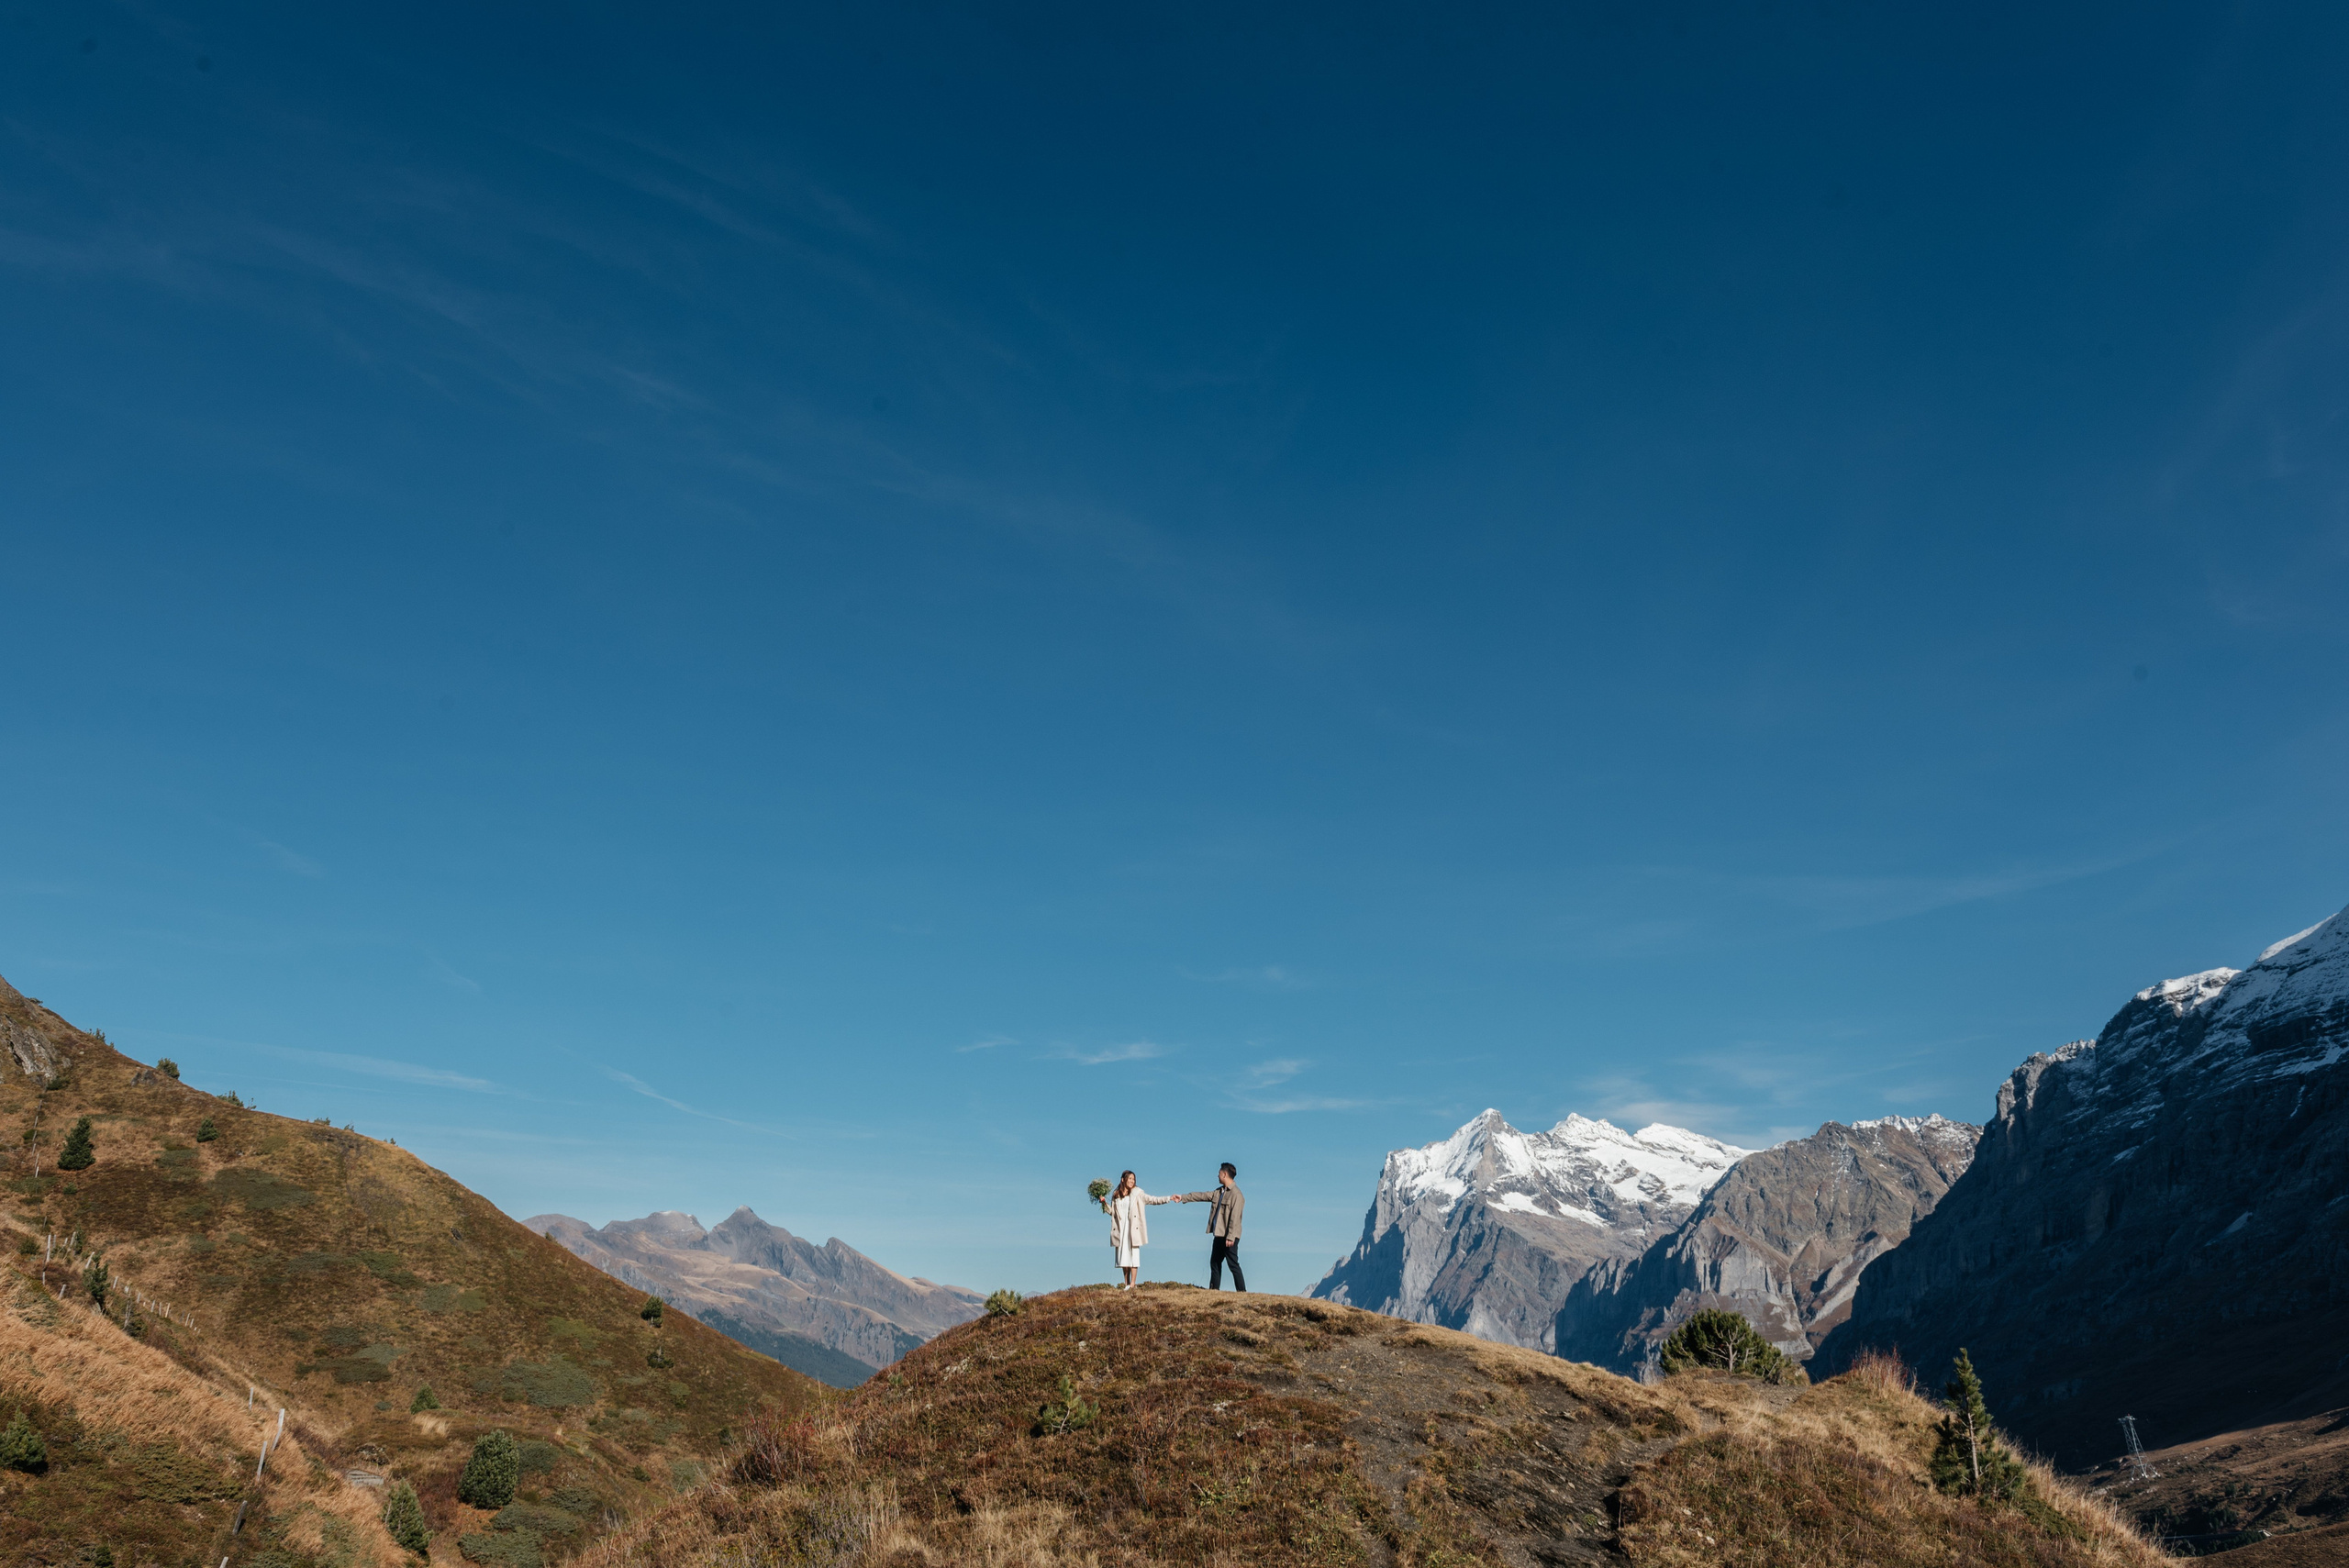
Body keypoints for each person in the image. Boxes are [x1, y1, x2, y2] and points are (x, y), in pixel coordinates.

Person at [1170, 1162, 1246, 1292]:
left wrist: (1231, 1236)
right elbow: (1202, 1196)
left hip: (1229, 1237)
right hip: (1219, 1235)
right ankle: (1214, 1291)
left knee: (1233, 1265)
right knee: (1215, 1263)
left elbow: (1235, 1218)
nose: (1217, 1175)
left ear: (1225, 1174)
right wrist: (1183, 1197)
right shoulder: (1219, 1192)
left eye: (1219, 1173)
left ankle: (1242, 1292)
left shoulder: (1236, 1194)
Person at [1103, 1171, 1180, 1290]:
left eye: (1133, 1179)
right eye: (1130, 1179)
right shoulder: (1116, 1195)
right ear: (1123, 1180)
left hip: (1133, 1228)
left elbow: (1152, 1199)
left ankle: (1133, 1283)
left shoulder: (1138, 1193)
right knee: (1124, 1257)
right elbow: (1112, 1212)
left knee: (1134, 1256)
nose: (1132, 1181)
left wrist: (1168, 1198)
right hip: (1121, 1229)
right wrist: (1104, 1203)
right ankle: (1127, 1283)